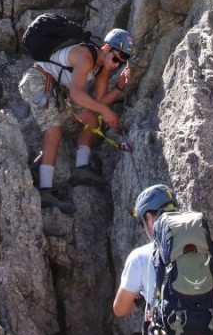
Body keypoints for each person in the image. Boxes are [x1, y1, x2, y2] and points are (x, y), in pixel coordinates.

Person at [19, 28, 134, 212]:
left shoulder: (102, 69)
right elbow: (76, 94)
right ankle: (45, 191)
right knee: (53, 131)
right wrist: (105, 110)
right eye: (115, 58)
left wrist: (118, 87)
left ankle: (81, 168)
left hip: (58, 91)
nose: (115, 65)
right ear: (106, 47)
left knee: (93, 120)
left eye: (121, 62)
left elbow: (97, 104)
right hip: (39, 80)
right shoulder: (84, 56)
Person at [113, 184, 213, 335]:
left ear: (148, 218)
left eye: (142, 222)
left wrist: (137, 304)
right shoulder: (206, 250)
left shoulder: (140, 257)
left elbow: (119, 308)